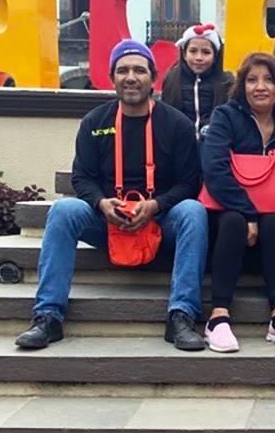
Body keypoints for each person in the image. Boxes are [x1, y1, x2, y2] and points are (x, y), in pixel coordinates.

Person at [15, 40, 208, 352]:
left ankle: (182, 316)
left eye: (138, 70)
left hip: (160, 221)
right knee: (64, 210)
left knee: (193, 212)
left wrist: (157, 205)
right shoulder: (95, 123)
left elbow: (189, 182)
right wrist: (101, 204)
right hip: (109, 221)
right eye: (123, 70)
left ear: (153, 77)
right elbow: (82, 177)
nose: (131, 77)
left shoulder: (177, 125)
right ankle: (47, 317)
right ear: (112, 77)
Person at [200, 52, 275, 353]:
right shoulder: (226, 116)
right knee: (234, 221)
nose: (261, 87)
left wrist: (258, 216)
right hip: (226, 212)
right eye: (252, 80)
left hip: (271, 214)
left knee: (273, 221)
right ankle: (218, 316)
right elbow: (215, 170)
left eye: (269, 80)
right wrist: (248, 212)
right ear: (242, 86)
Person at [160, 23, 235, 137]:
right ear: (184, 54)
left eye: (206, 52)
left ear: (215, 57)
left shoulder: (226, 82)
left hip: (214, 145)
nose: (199, 58)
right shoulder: (171, 79)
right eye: (193, 51)